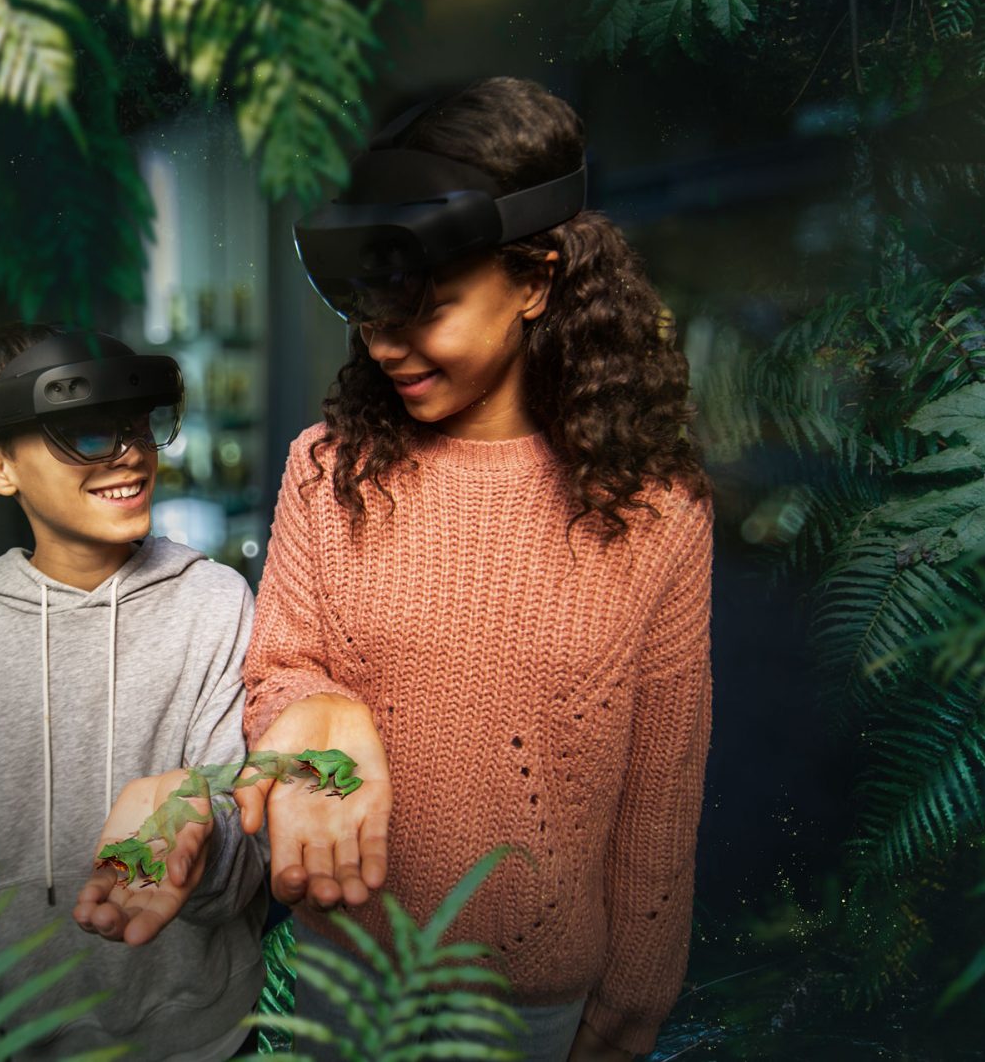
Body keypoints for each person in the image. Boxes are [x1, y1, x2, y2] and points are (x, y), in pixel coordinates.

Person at [233, 77, 715, 1062]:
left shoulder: (655, 510)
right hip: (336, 974)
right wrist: (317, 705)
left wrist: (630, 1004)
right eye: (366, 312)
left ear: (534, 278)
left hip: (527, 998)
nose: (384, 344)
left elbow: (660, 791)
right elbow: (276, 667)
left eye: (428, 309)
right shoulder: (324, 469)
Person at [0, 323, 268, 1061]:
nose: (129, 451)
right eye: (83, 434)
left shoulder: (215, 604)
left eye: (139, 424)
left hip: (200, 1036)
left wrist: (193, 835)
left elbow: (240, 857)